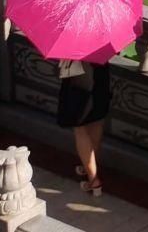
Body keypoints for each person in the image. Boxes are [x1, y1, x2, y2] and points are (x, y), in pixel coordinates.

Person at [57, 57, 113, 194]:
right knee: (96, 121)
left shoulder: (74, 37)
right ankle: (89, 165)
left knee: (80, 128)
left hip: (80, 76)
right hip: (101, 70)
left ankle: (93, 180)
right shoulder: (102, 35)